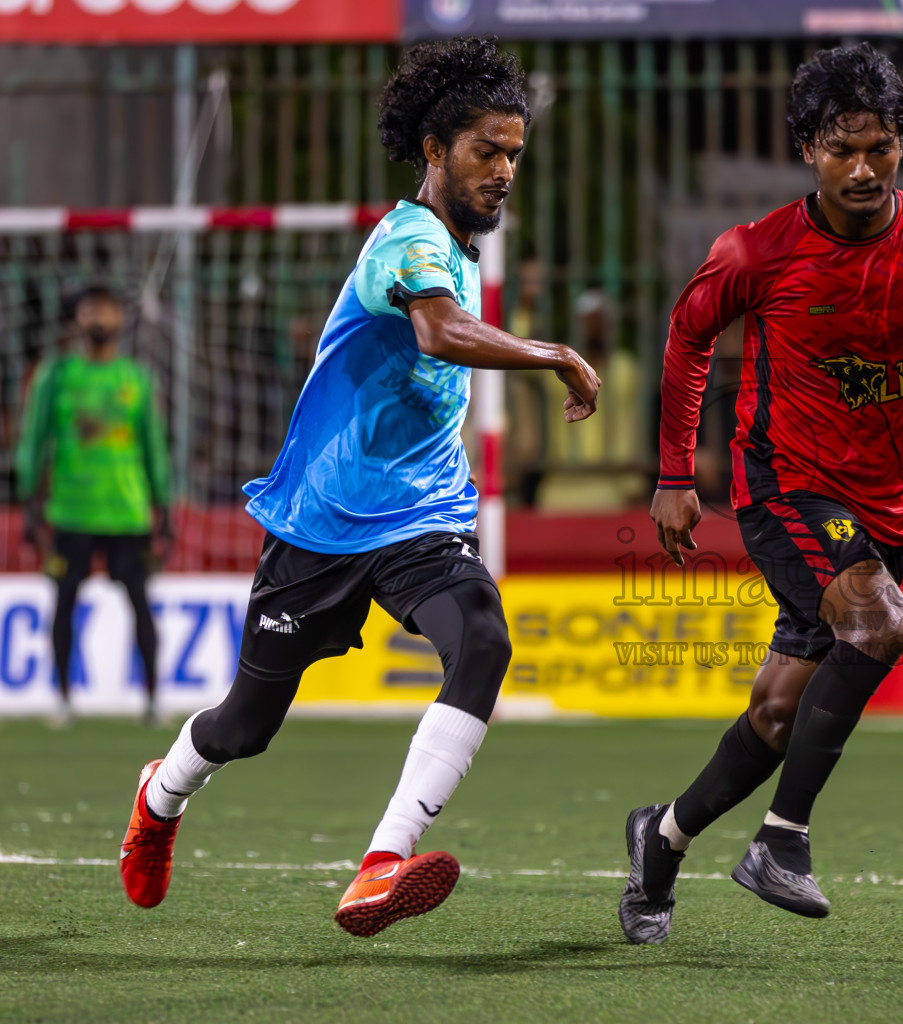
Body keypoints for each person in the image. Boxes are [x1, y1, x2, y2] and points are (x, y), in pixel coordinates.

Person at [116, 39, 602, 938]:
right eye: (485, 151)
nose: (503, 171)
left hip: (423, 517)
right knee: (245, 726)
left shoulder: (462, 246)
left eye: (513, 155)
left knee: (485, 641)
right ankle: (163, 792)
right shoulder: (407, 238)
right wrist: (553, 353)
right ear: (434, 150)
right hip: (323, 520)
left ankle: (382, 862)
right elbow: (439, 334)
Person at [621, 43, 903, 943]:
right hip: (786, 487)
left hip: (890, 507)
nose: (862, 168)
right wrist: (672, 475)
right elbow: (689, 336)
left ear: (900, 146)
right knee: (883, 625)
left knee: (779, 709)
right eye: (841, 148)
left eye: (880, 148)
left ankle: (660, 840)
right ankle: (783, 841)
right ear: (808, 148)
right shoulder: (757, 251)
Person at [15, 287, 172, 728]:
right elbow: (34, 442)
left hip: (127, 512)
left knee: (140, 604)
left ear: (120, 319)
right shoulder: (57, 376)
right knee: (64, 603)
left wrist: (166, 508)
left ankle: (154, 699)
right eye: (89, 311)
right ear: (76, 322)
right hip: (70, 512)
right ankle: (63, 698)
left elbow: (153, 447)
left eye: (105, 308)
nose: (97, 317)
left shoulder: (136, 378)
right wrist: (30, 502)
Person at [532, 287, 648, 511]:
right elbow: (519, 368)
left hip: (613, 488)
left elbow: (633, 426)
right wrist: (526, 309)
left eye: (600, 319)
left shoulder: (625, 370)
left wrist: (633, 484)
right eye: (588, 319)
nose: (594, 326)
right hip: (562, 487)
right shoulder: (557, 371)